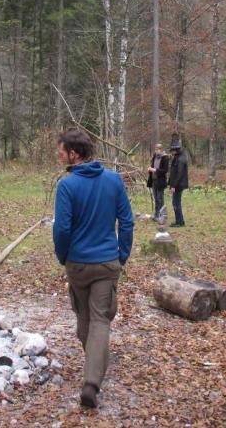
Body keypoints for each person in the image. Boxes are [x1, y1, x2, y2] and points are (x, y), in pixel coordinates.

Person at [53, 128, 134, 408]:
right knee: (99, 320)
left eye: (61, 151)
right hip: (105, 264)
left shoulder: (67, 185)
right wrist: (120, 256)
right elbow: (127, 221)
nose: (59, 155)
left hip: (78, 264)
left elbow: (62, 229)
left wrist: (63, 256)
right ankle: (93, 376)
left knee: (85, 319)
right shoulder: (113, 181)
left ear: (74, 154)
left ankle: (92, 380)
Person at [147, 143, 169, 221]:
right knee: (156, 199)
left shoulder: (165, 158)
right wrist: (150, 169)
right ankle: (156, 215)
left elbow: (165, 170)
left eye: (158, 149)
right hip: (154, 181)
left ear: (161, 149)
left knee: (160, 199)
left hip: (160, 181)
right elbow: (152, 166)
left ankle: (163, 216)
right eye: (156, 149)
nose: (157, 151)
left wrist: (155, 170)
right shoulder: (154, 157)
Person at [168, 141, 189, 227]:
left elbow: (179, 174)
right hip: (177, 185)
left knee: (176, 203)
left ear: (175, 150)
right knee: (175, 203)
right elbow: (173, 172)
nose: (171, 152)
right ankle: (178, 221)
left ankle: (180, 222)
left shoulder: (180, 159)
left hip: (178, 185)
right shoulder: (177, 157)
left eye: (172, 150)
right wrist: (170, 184)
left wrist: (173, 186)